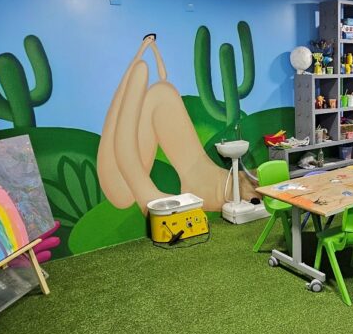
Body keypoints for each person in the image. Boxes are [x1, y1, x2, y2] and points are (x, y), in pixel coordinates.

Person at [98, 34, 256, 212]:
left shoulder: (149, 87)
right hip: (120, 181)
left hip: (132, 159)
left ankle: (203, 179)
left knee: (162, 91)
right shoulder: (137, 73)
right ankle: (148, 187)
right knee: (151, 83)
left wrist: (152, 49)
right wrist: (145, 50)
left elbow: (162, 76)